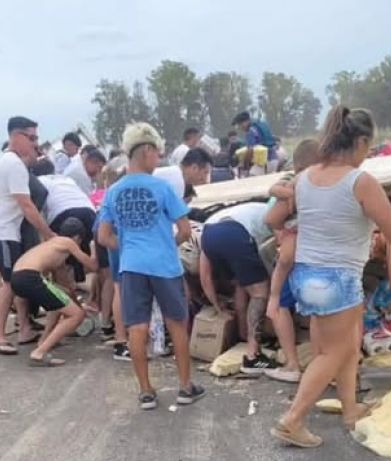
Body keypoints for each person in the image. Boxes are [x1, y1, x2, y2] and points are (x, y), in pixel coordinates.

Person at [267, 106, 391, 449]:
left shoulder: (303, 179)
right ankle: (292, 420)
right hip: (339, 281)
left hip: (306, 277)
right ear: (361, 141)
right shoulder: (359, 181)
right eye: (369, 146)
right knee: (333, 354)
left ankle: (351, 409)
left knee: (345, 347)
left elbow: (273, 216)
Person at [97, 122, 205, 410]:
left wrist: (130, 245)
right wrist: (165, 244)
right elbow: (185, 230)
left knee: (137, 327)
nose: (158, 159)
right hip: (164, 266)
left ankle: (146, 391)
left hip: (131, 267)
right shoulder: (162, 187)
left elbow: (103, 236)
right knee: (177, 324)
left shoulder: (113, 191)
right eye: (157, 153)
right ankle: (185, 387)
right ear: (146, 151)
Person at [0, 115, 54, 355]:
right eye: (31, 137)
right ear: (15, 136)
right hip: (2, 231)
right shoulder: (12, 164)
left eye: (37, 138)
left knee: (19, 278)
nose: (35, 143)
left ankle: (24, 327)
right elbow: (27, 205)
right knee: (11, 283)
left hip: (8, 230)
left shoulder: (13, 163)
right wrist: (49, 234)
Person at [263, 138, 322, 384]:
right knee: (321, 311)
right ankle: (323, 366)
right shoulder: (321, 184)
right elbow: (273, 203)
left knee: (279, 304)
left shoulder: (296, 185)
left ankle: (293, 363)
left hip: (293, 251)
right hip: (314, 255)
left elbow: (270, 220)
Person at [199, 199, 279, 375]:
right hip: (236, 233)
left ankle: (243, 334)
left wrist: (218, 308)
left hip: (209, 236)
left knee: (241, 283)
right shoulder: (271, 212)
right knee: (260, 291)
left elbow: (205, 276)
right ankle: (252, 355)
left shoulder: (217, 218)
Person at [10, 218, 99, 367]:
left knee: (60, 297)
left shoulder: (51, 245)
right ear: (77, 237)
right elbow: (93, 266)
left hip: (18, 277)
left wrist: (77, 303)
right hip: (30, 277)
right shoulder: (67, 242)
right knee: (77, 315)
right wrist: (94, 250)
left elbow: (65, 289)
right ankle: (39, 353)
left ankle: (44, 340)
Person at [232, 112, 278, 176]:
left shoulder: (250, 132)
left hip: (263, 163)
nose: (240, 127)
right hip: (274, 159)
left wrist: (245, 165)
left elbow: (250, 150)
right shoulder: (261, 125)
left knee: (250, 179)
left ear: (246, 121)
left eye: (240, 124)